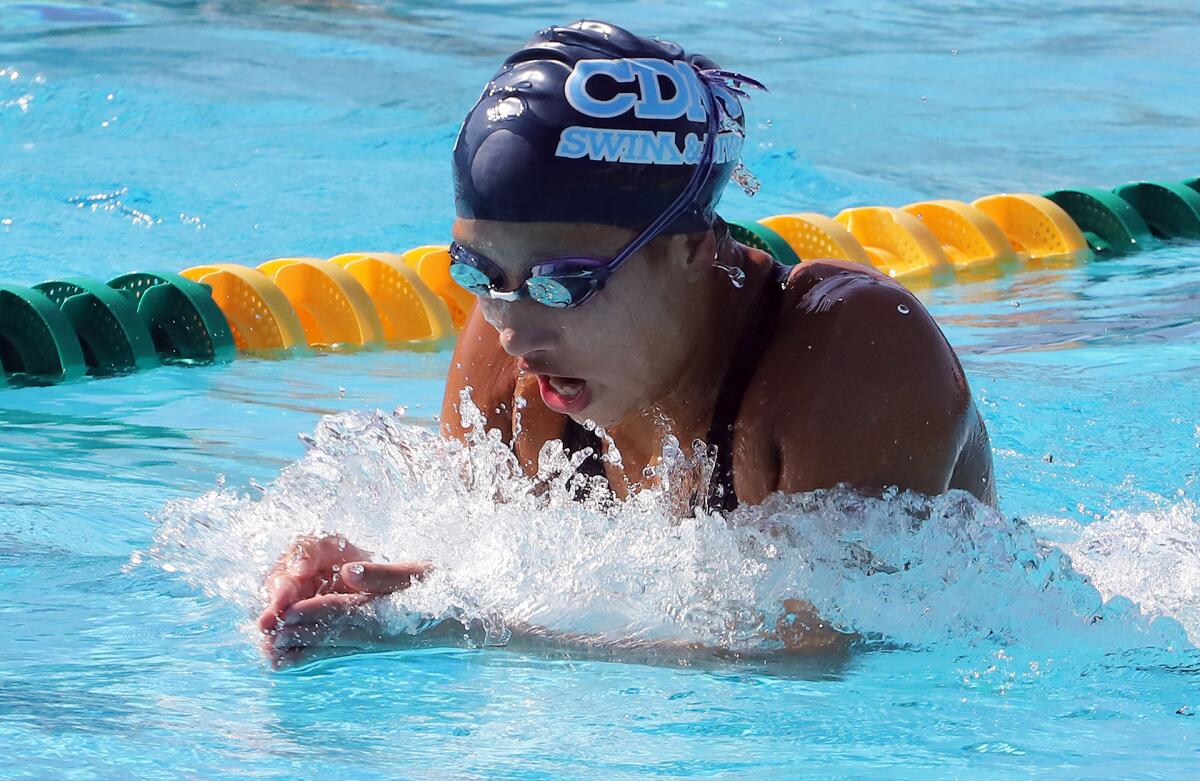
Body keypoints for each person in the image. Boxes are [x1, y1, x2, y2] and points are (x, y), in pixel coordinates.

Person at [257, 20, 995, 664]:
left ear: (693, 247)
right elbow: (473, 560)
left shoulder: (852, 357)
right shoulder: (507, 364)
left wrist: (470, 624)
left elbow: (817, 653)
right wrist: (359, 572)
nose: (514, 329)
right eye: (480, 274)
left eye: (563, 282)